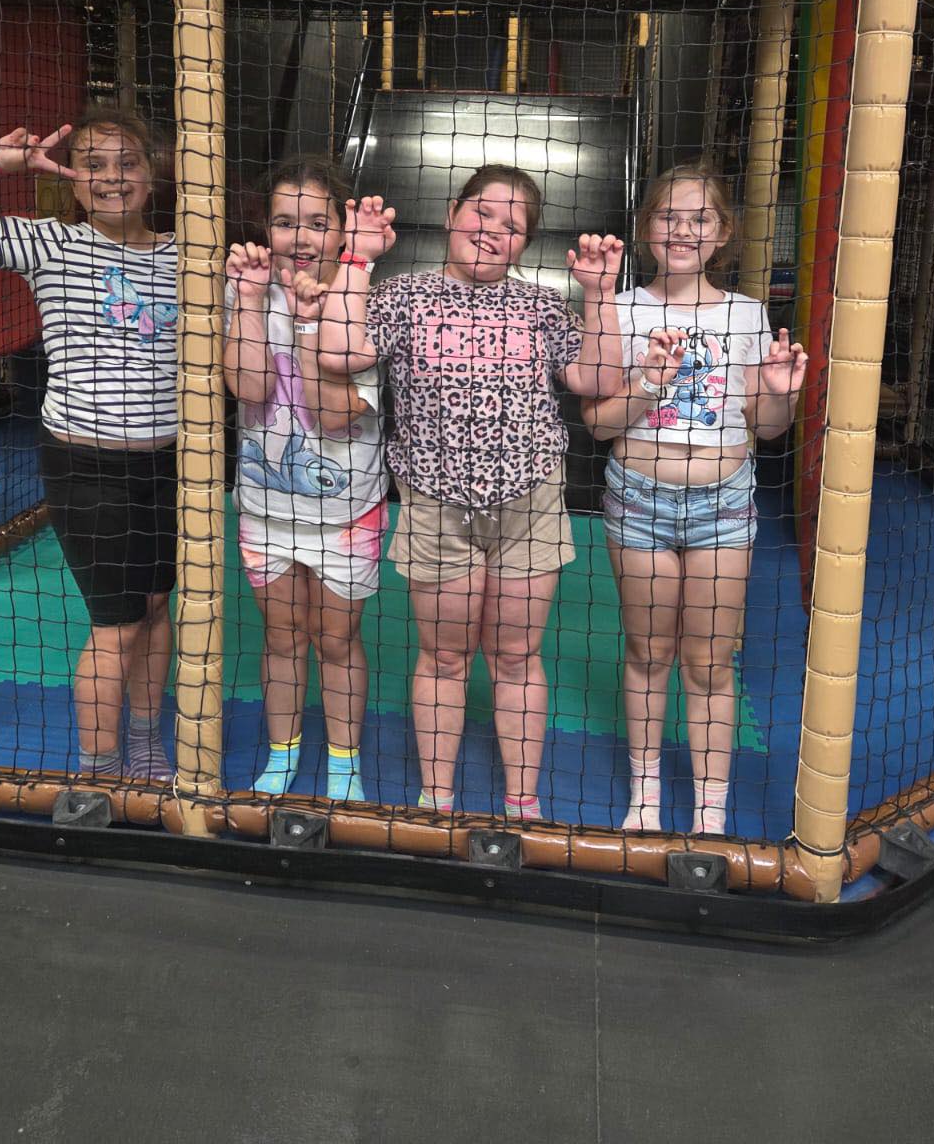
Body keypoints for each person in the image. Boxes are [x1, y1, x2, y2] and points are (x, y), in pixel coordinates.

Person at [319, 165, 624, 821]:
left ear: (525, 244)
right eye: (482, 212)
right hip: (435, 503)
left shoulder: (541, 305)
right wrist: (356, 257)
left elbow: (598, 379)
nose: (491, 230)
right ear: (452, 212)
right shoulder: (405, 295)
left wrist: (600, 294)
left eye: (511, 225)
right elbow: (339, 353)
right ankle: (437, 799)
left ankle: (522, 803)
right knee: (445, 656)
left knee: (516, 656)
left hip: (529, 502)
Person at [0, 107, 178, 783]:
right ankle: (98, 769)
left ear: (153, 173)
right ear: (73, 178)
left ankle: (146, 740)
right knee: (116, 624)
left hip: (171, 464)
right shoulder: (50, 243)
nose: (111, 177)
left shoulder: (186, 254)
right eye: (93, 164)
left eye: (127, 162)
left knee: (155, 608)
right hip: (85, 465)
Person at [584, 162, 807, 834]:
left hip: (723, 505)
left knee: (709, 661)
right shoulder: (621, 309)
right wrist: (650, 383)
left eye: (699, 218)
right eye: (668, 216)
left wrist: (781, 394)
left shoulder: (746, 314)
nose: (683, 231)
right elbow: (598, 424)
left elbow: (767, 428)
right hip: (639, 501)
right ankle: (646, 792)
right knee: (648, 652)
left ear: (723, 232)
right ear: (646, 227)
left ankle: (710, 807)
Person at [224, 156, 387, 802]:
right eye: (285, 222)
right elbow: (250, 388)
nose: (301, 238)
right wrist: (250, 301)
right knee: (283, 638)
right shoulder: (248, 290)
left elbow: (335, 414)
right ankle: (283, 750)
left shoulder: (365, 302)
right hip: (266, 511)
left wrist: (310, 321)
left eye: (318, 223)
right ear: (266, 228)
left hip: (346, 514)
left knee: (337, 640)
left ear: (342, 232)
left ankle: (344, 762)